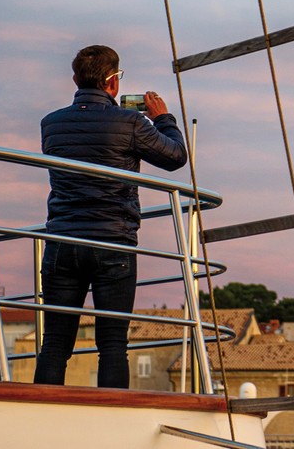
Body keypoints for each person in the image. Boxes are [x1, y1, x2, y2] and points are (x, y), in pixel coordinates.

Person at [34, 44, 188, 388]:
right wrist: (162, 118)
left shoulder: (51, 124)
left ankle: (43, 416)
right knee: (113, 344)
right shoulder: (131, 122)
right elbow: (175, 157)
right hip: (112, 241)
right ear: (114, 82)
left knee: (55, 344)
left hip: (62, 241)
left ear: (75, 78)